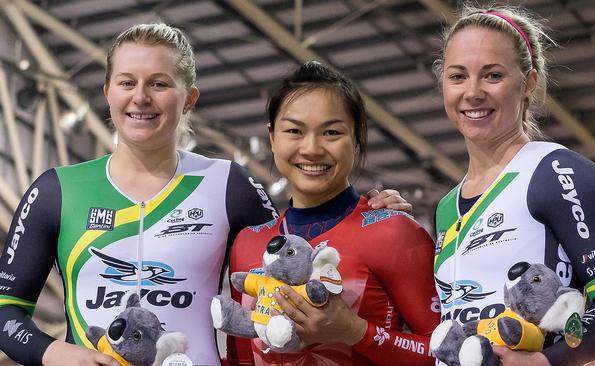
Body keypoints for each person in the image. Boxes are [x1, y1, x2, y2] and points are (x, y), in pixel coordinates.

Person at [0, 24, 406, 366]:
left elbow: (297, 256)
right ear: (108, 92)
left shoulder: (227, 185)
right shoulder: (57, 190)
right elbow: (5, 312)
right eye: (127, 83)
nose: (141, 97)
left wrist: (364, 214)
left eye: (159, 84)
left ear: (189, 99)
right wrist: (54, 353)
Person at [431, 5, 595, 366]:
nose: (473, 92)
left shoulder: (557, 172)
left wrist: (543, 361)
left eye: (493, 75)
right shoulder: (447, 206)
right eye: (458, 76)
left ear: (528, 82)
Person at [226, 61, 440, 366]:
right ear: (272, 138)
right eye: (294, 131)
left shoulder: (394, 233)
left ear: (357, 138)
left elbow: (448, 353)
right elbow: (241, 359)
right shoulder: (248, 243)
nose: (311, 148)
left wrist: (355, 332)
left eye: (331, 132)